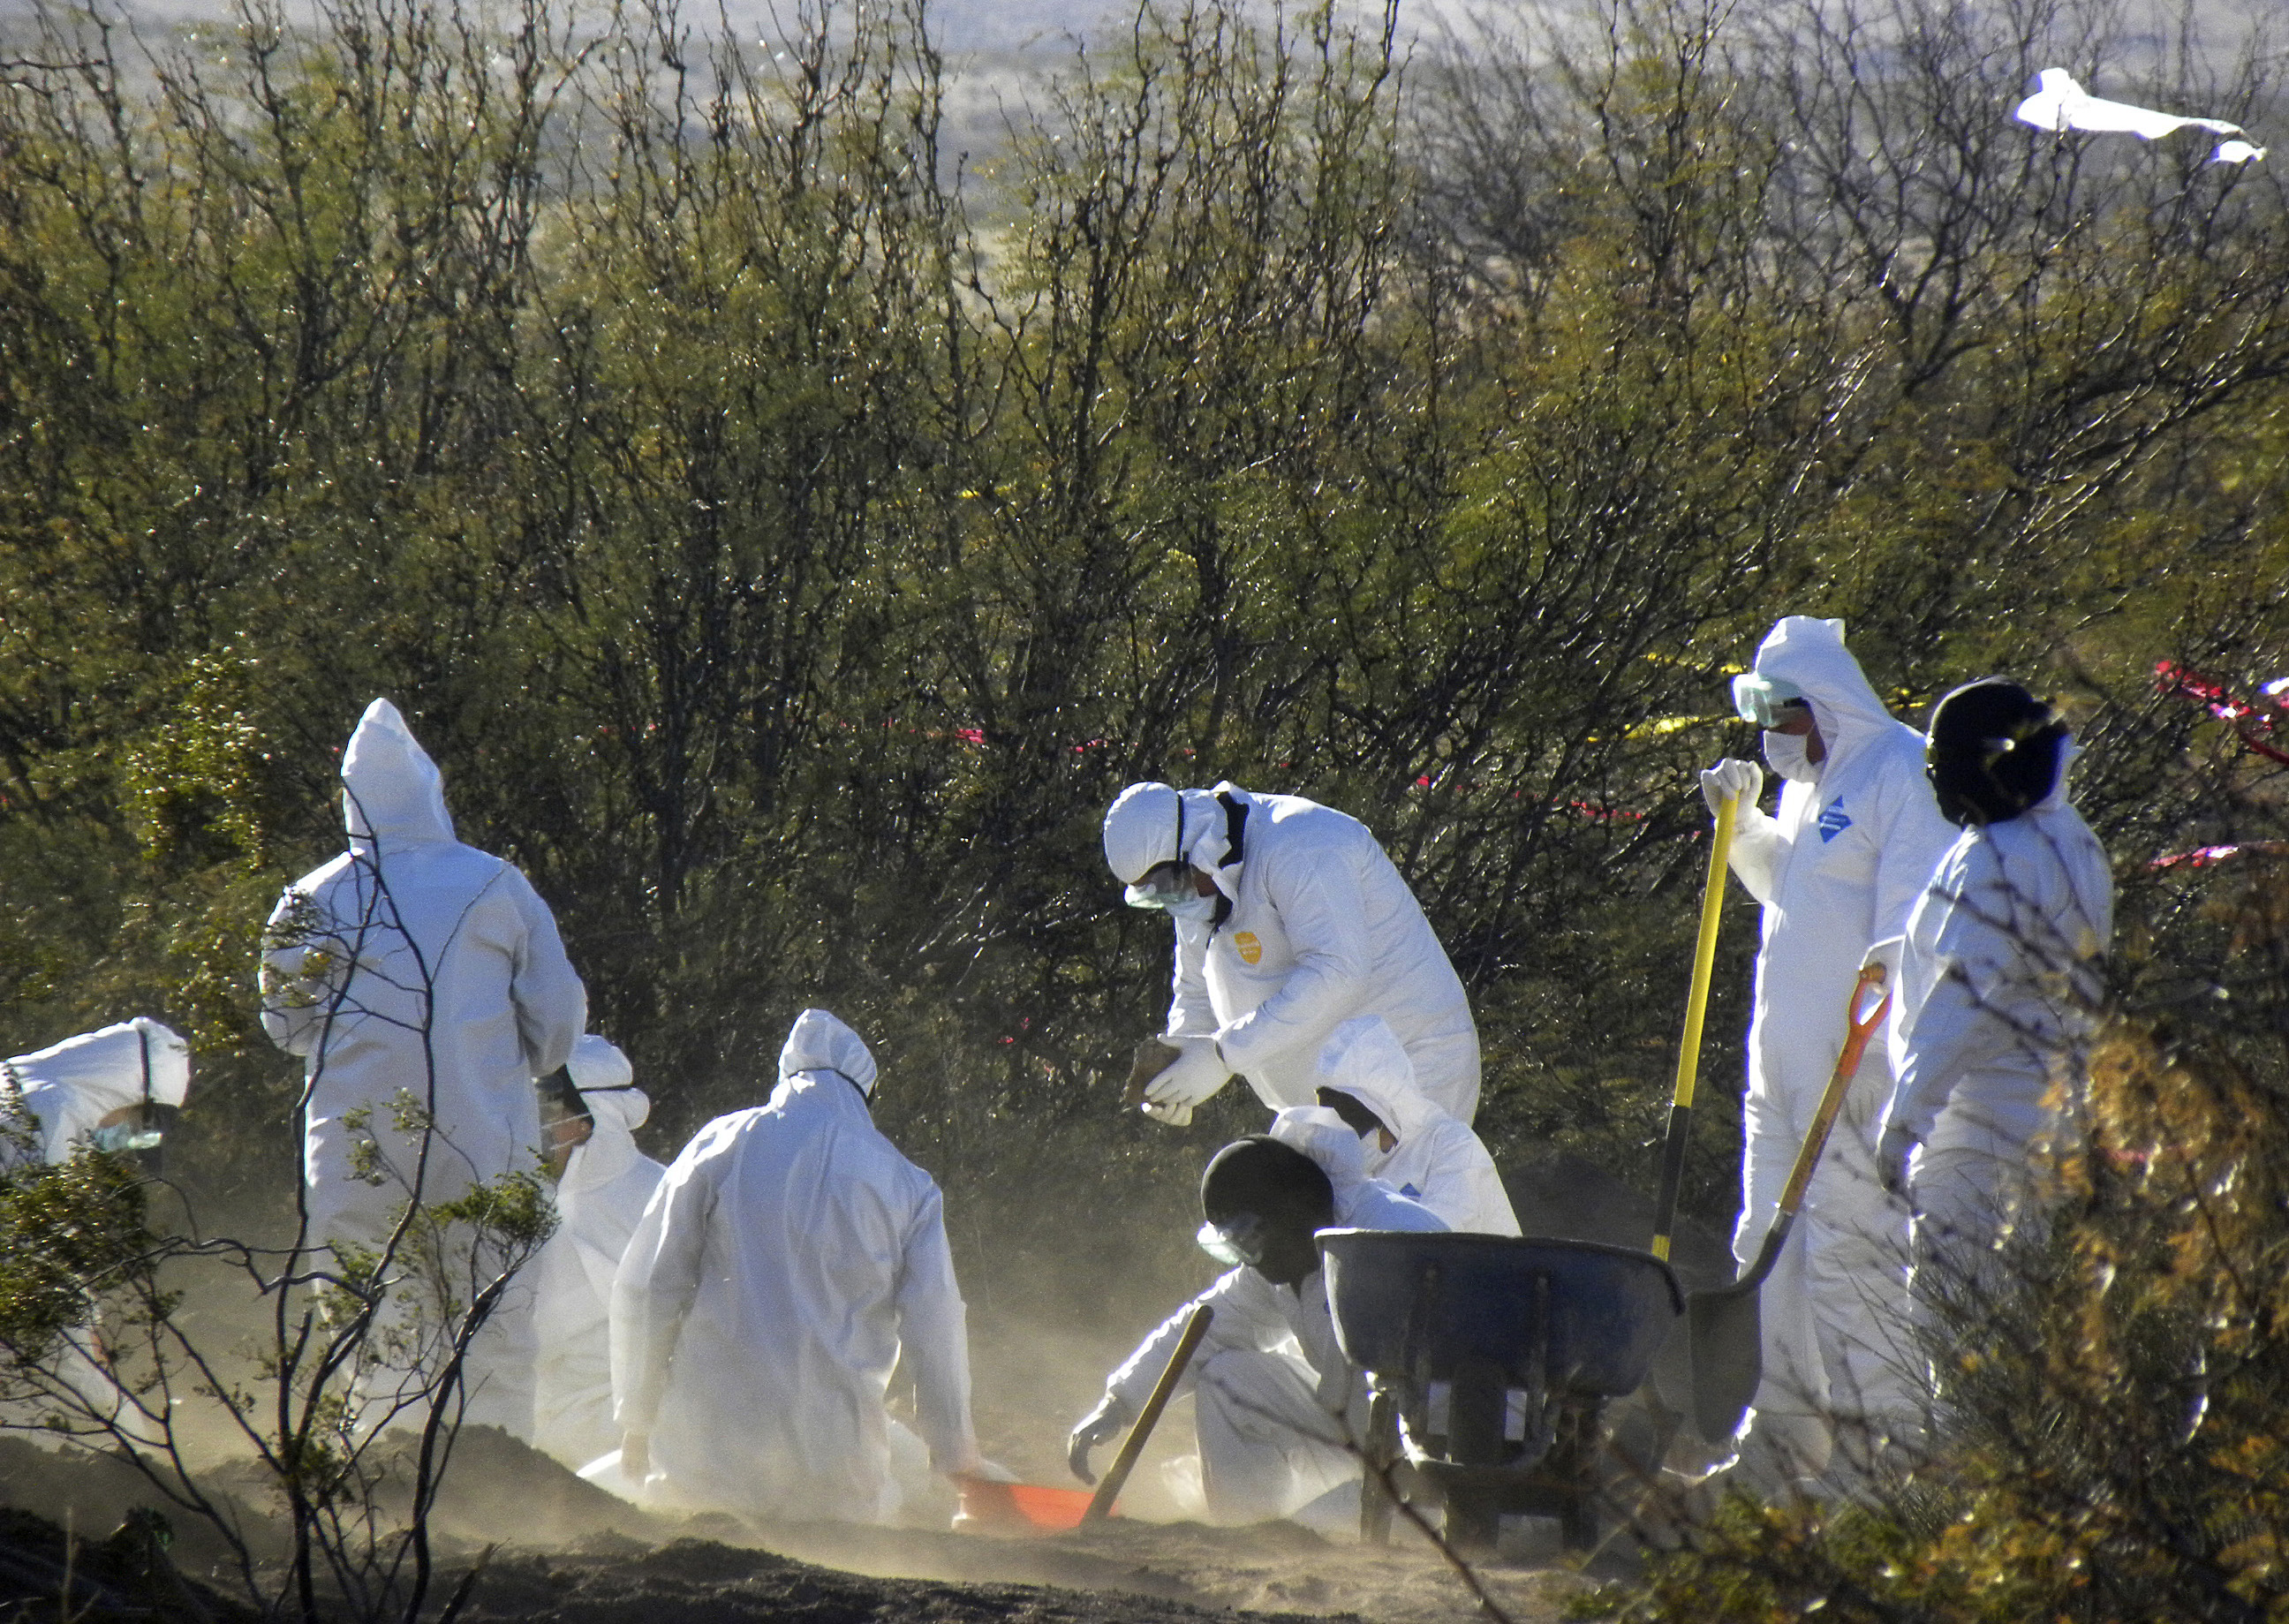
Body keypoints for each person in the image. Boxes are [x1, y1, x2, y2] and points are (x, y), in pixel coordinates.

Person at [259, 697, 586, 1436]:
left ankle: (381, 1473)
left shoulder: (310, 896)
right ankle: (497, 1476)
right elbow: (558, 1021)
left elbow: (285, 1024)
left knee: (369, 1322)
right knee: (492, 1316)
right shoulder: (493, 883)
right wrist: (517, 1060)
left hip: (357, 1156)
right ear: (429, 790)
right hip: (483, 1147)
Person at [1699, 616, 1959, 1479]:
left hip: (1856, 1075)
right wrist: (1741, 831)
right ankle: (1779, 1439)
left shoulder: (1897, 770)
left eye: (1778, 710)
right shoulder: (1811, 783)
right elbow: (1796, 896)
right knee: (1764, 1252)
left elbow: (1910, 915)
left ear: (1823, 703)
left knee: (1852, 1255)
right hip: (1782, 1071)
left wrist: (1880, 1002)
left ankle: (1882, 1452)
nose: (1768, 730)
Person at [610, 1009, 981, 1524]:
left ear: (787, 1074)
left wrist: (637, 1415)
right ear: (863, 1092)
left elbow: (653, 1286)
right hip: (835, 1456)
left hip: (710, 1441)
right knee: (827, 1582)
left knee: (700, 1580)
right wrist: (954, 1453)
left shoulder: (719, 1144)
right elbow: (934, 1321)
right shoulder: (906, 1184)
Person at [1066, 1134, 1445, 1530]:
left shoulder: (1395, 1242)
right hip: (1367, 1438)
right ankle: (1246, 1537)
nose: (1251, 1260)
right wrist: (1118, 1403)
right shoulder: (1290, 1264)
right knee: (1228, 1375)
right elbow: (1203, 1327)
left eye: (1252, 1241)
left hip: (1452, 1471)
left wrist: (1424, 1469)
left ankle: (1282, 1539)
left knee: (1306, 1533)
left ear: (1289, 1215)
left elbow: (1456, 1394)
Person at [1875, 679, 2112, 1289]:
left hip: (1979, 1119)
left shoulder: (1999, 854)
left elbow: (1967, 1000)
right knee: (2015, 1311)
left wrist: (1905, 1119)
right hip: (2048, 1112)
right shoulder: (2071, 839)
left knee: (1951, 1315)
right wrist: (1907, 954)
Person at [1100, 781, 1481, 1127]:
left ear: (1197, 845)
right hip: (1323, 1105)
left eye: (1168, 884)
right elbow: (1196, 989)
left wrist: (1222, 1055)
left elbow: (1337, 973)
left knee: (1401, 1205)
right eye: (1155, 894)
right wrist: (1179, 1062)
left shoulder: (1301, 842)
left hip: (1413, 1075)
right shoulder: (1199, 884)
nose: (1172, 899)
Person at [0, 1017, 193, 1448]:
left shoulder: (28, 1096)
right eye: (145, 1123)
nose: (137, 1140)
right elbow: (36, 1260)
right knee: (101, 1424)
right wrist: (81, 1332)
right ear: (125, 1091)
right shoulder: (46, 1117)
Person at [529, 1034, 666, 1471]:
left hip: (636, 1436)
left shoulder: (664, 1197)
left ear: (594, 1117)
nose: (539, 1125)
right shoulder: (521, 1204)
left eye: (551, 1110)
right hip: (530, 1432)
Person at [1289, 1015, 1520, 1235]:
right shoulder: (1347, 1175)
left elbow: (1437, 1239)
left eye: (1365, 1131)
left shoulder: (1452, 1145)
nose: (1361, 1144)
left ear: (1392, 1112)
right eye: (1349, 1134)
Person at [0, 1017, 190, 1172]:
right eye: (132, 1122)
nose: (121, 1134)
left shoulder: (13, 1075)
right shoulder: (51, 1129)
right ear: (123, 1095)